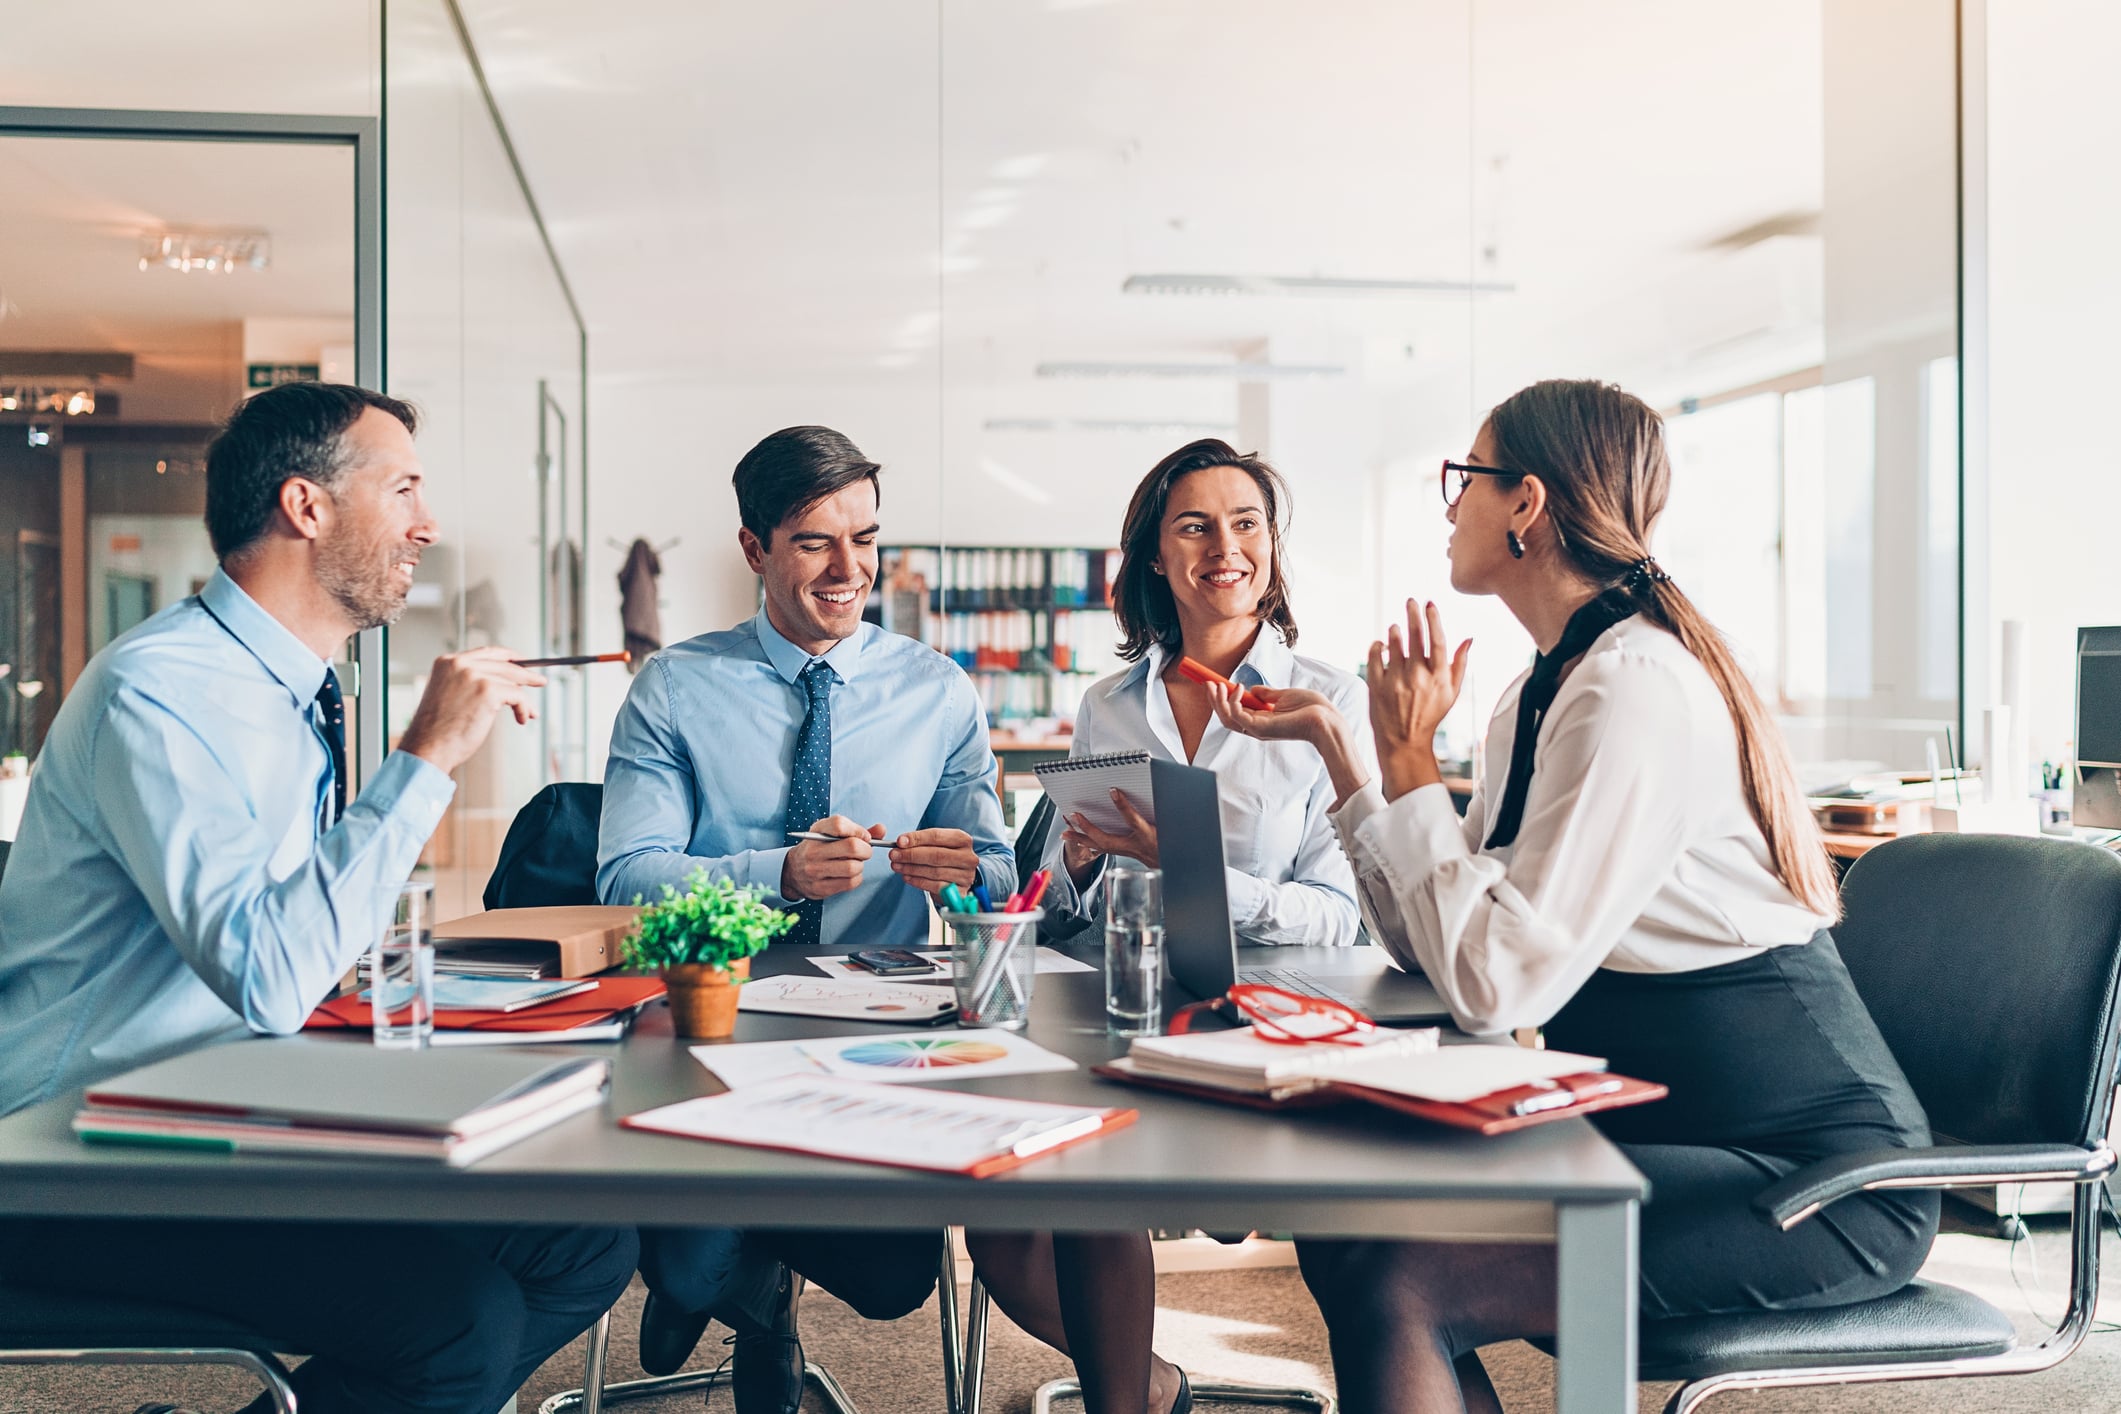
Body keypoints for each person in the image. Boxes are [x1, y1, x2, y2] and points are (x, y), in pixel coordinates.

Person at [1209, 379, 1939, 1414]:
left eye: (1464, 478)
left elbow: (1496, 987)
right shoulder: (1543, 685)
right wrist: (1348, 750)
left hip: (1815, 1183)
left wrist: (1411, 756)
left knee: (1403, 1276)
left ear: (1527, 505)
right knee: (1352, 1216)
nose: (1449, 504)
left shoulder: (1631, 685)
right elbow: (1439, 940)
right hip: (1668, 1132)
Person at [0, 382, 637, 1414]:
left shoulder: (287, 690)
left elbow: (299, 948)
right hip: (73, 1153)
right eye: (404, 490)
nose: (426, 525)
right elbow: (269, 973)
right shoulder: (159, 697)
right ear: (307, 506)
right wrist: (425, 754)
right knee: (456, 1327)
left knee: (584, 1243)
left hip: (224, 1110)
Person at [597, 424, 1015, 1413]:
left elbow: (996, 873)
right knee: (687, 1273)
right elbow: (624, 880)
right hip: (712, 1015)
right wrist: (776, 872)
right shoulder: (674, 689)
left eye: (866, 538)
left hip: (877, 1030)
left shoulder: (939, 690)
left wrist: (967, 874)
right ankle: (754, 1298)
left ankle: (755, 1273)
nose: (850, 568)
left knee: (893, 1282)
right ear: (754, 549)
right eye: (815, 542)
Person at [966, 440, 1374, 1414]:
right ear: (1156, 554)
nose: (1222, 546)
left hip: (1280, 1023)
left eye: (1245, 523)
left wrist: (1192, 873)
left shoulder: (1331, 700)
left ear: (1273, 547)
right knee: (1001, 1223)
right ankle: (1142, 1388)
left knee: (1090, 1178)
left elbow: (1349, 916)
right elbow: (1067, 911)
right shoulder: (1109, 702)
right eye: (1193, 524)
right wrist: (1072, 868)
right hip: (1128, 1013)